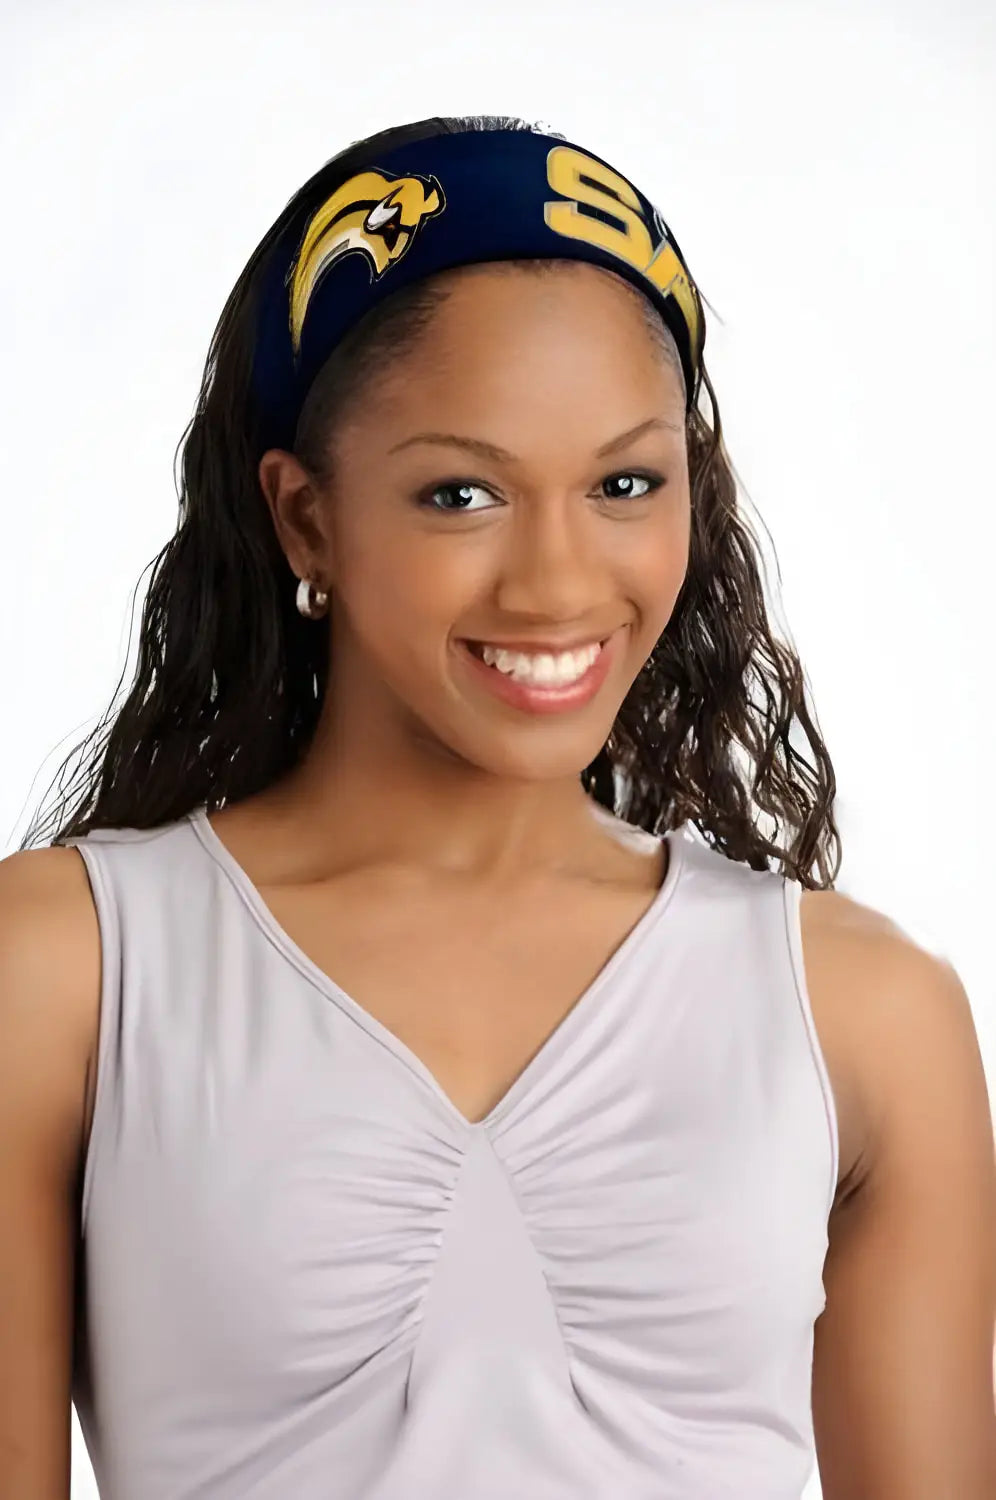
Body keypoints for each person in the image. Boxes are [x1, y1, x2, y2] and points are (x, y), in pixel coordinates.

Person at [2, 113, 994, 1500]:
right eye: (461, 492)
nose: (557, 584)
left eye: (625, 483)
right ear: (305, 521)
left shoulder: (869, 1015)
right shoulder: (67, 972)